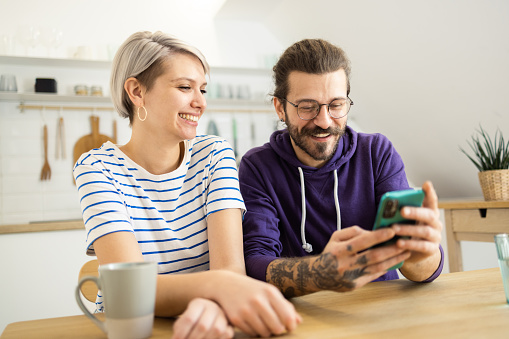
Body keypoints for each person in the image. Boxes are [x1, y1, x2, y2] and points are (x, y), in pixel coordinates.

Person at [73, 31, 301, 339]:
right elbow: (129, 290)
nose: (200, 103)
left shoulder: (214, 154)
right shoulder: (97, 169)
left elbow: (231, 271)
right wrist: (218, 288)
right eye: (184, 87)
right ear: (137, 91)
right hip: (129, 328)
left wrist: (220, 291)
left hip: (207, 323)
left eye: (203, 90)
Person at [239, 38, 444, 298]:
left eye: (336, 105)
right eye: (307, 107)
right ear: (280, 107)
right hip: (309, 316)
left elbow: (423, 271)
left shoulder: (377, 153)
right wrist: (320, 273)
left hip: (381, 309)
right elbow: (254, 263)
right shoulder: (257, 167)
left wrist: (418, 253)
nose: (324, 121)